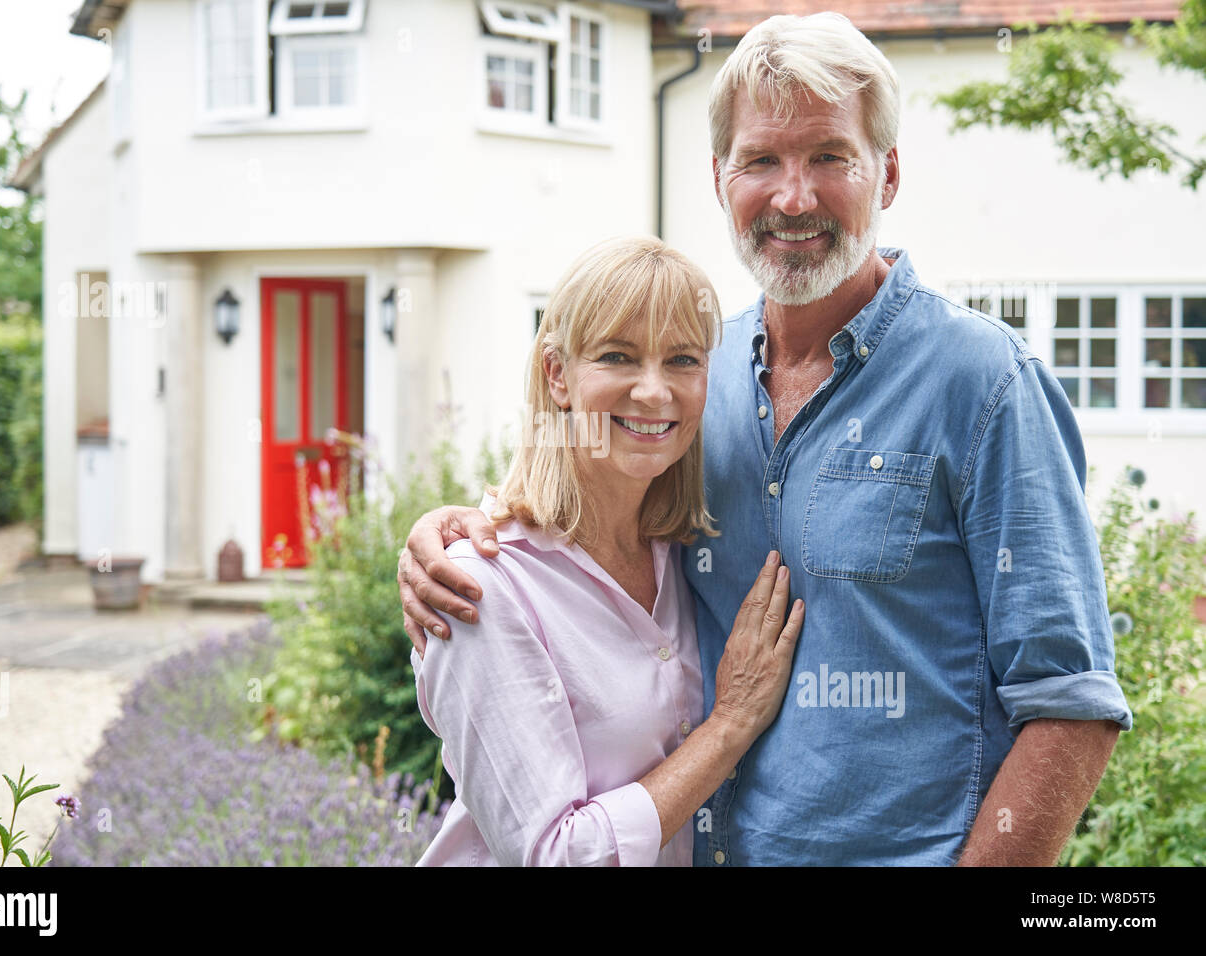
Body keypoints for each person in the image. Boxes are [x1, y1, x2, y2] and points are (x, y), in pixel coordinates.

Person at [400, 12, 1133, 866]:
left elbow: (1070, 702)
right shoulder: (690, 382)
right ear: (719, 177)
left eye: (830, 156)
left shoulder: (983, 383)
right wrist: (450, 532)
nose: (794, 196)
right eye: (761, 161)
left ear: (886, 173)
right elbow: (576, 527)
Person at [412, 236, 804, 866]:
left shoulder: (685, 554)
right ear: (557, 375)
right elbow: (558, 856)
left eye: (682, 359)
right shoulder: (481, 587)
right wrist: (729, 725)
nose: (654, 392)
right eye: (618, 356)